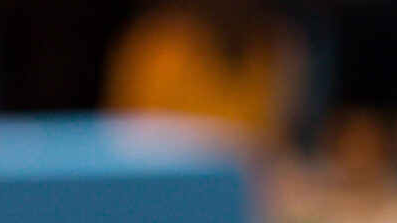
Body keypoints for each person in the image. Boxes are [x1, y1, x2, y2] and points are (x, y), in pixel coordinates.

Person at [105, 0, 302, 149]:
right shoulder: (157, 45)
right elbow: (134, 145)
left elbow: (281, 146)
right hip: (171, 190)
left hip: (249, 194)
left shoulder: (275, 48)